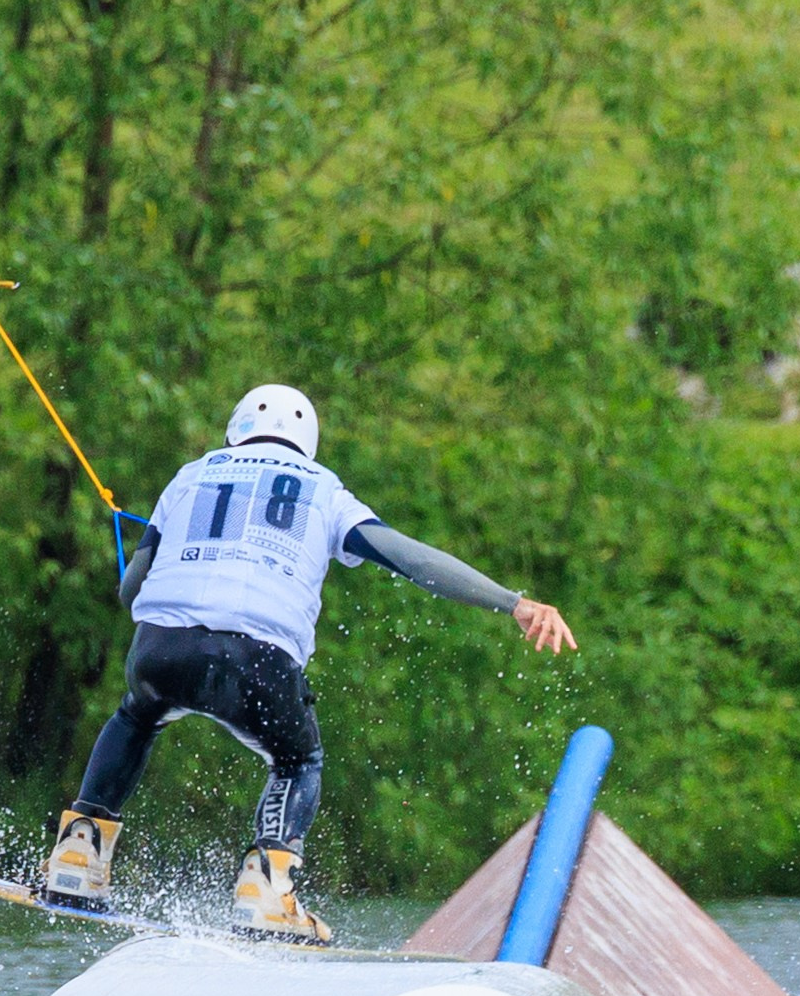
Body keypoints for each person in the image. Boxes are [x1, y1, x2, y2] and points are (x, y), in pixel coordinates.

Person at [39, 383, 578, 937]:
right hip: (258, 660)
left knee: (136, 714)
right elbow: (412, 560)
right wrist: (512, 602)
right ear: (308, 444)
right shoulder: (325, 491)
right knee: (299, 760)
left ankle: (78, 856)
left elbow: (132, 592)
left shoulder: (191, 474)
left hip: (160, 650)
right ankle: (267, 884)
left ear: (234, 430)